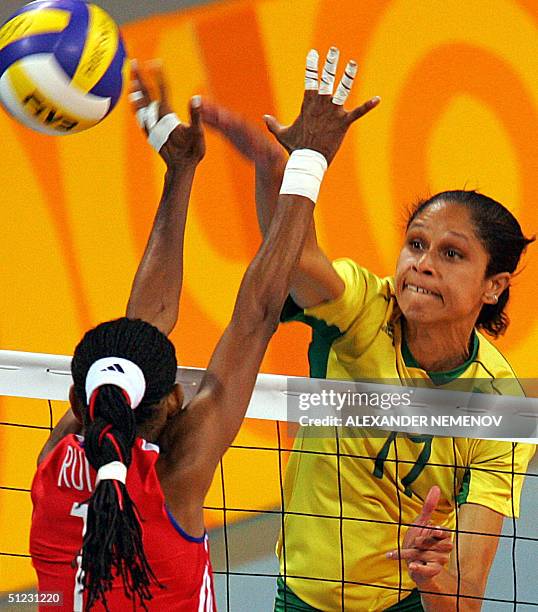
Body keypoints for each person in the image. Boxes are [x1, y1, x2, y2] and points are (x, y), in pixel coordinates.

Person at [29, 54, 372, 611]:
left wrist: (183, 170)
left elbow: (144, 336)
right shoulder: (176, 475)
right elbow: (257, 312)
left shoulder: (53, 462)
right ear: (175, 399)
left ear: (76, 400)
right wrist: (306, 159)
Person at [201, 48, 536, 611]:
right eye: (416, 245)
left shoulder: (497, 406)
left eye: (452, 255)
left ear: (493, 286)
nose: (422, 265)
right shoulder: (366, 312)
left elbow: (466, 596)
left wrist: (434, 578)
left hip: (404, 603)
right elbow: (295, 257)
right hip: (303, 598)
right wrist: (282, 166)